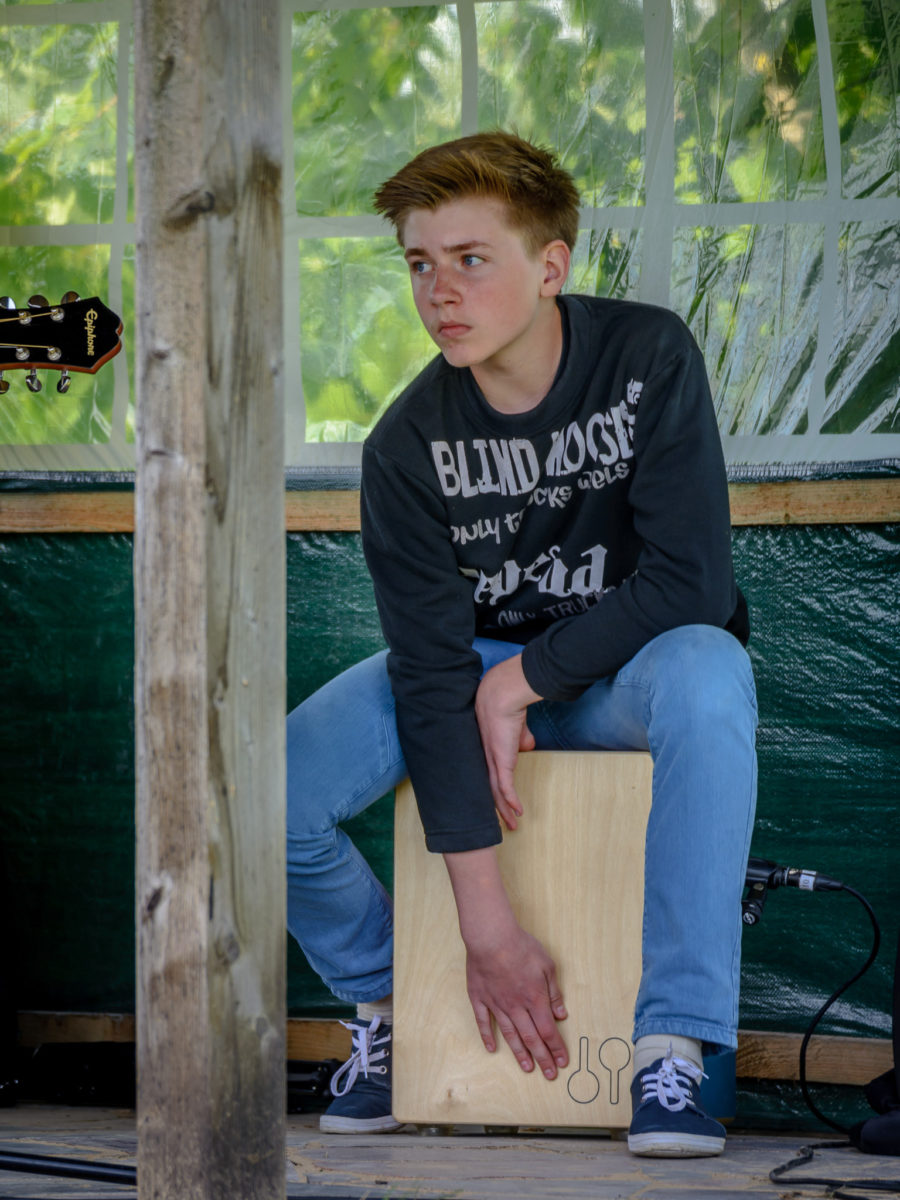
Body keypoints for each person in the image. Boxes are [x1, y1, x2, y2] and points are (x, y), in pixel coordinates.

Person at [286, 130, 758, 1157]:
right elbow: (429, 673)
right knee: (268, 790)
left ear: (551, 266)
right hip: (474, 673)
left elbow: (693, 582)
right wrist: (484, 930)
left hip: (627, 675)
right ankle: (391, 1007)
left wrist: (520, 687)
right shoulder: (404, 446)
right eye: (420, 263)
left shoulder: (646, 355)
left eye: (470, 258)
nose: (440, 292)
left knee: (712, 670)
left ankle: (672, 1051)